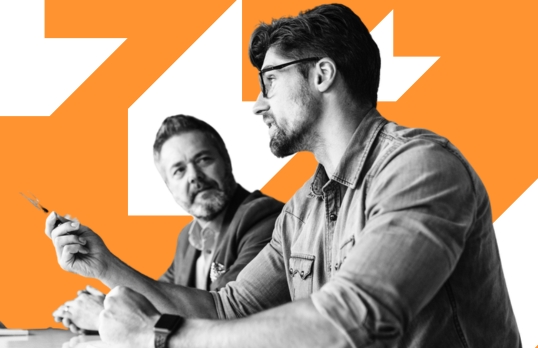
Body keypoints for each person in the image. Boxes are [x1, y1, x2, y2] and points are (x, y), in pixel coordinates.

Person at [45, 4, 521, 348]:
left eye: (270, 80)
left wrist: (159, 337)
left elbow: (355, 324)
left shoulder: (420, 168)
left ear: (322, 75)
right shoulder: (302, 210)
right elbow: (226, 309)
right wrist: (103, 265)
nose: (257, 104)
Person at [50, 115, 283, 334]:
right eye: (179, 170)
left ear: (226, 162)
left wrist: (104, 316)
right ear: (169, 187)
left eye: (203, 159)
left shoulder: (265, 219)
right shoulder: (187, 238)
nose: (194, 176)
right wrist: (106, 298)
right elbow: (155, 299)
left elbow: (222, 316)